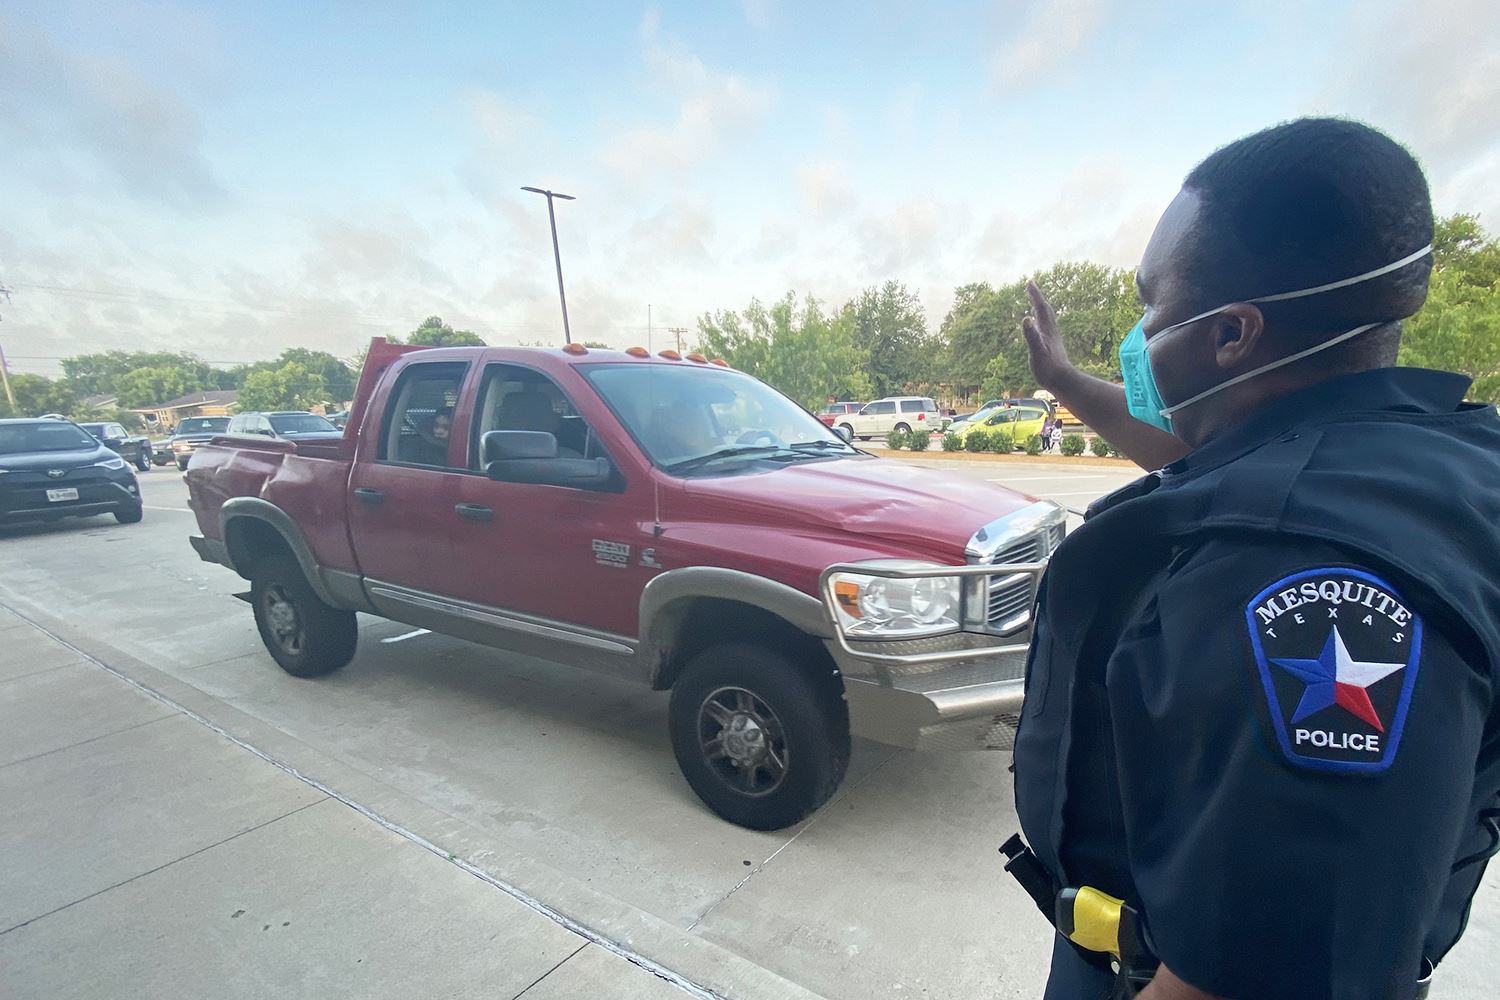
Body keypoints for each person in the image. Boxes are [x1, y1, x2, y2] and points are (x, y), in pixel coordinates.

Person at [1005, 118, 1500, 1000]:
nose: (1141, 330)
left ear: (1231, 336)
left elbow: (1257, 978)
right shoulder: (1403, 460)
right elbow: (1206, 468)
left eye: (1152, 303)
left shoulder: (1301, 577)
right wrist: (1069, 384)